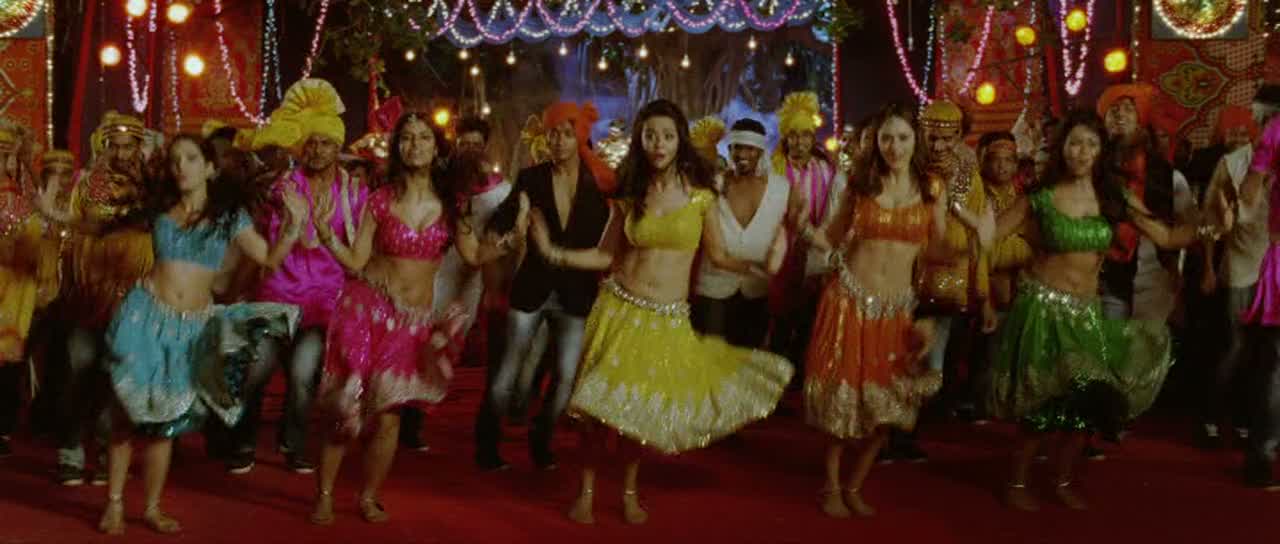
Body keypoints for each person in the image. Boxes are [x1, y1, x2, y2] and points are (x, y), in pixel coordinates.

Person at [534, 99, 792, 525]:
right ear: (640, 140)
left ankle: (629, 492)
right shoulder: (630, 194)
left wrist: (759, 265)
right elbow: (605, 256)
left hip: (666, 320)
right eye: (650, 135)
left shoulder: (702, 198)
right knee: (597, 415)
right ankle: (586, 491)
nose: (658, 144)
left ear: (679, 141)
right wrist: (552, 252)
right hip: (619, 312)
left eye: (667, 136)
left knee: (640, 416)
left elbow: (719, 255)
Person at [987, 109, 1229, 511]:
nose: (1081, 152)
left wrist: (1211, 226)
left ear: (1101, 150)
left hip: (1087, 312)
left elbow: (1166, 236)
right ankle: (1017, 482)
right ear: (1062, 148)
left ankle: (1063, 479)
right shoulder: (1040, 196)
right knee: (1041, 404)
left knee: (1085, 403)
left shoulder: (1113, 196)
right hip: (1043, 310)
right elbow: (990, 235)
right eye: (1074, 143)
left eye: (1090, 144)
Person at [77, 133, 304, 534]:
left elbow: (268, 259)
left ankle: (151, 507)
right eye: (175, 160)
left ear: (210, 168)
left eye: (191, 158)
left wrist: (294, 225)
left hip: (191, 329)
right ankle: (113, 503)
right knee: (127, 412)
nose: (181, 166)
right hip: (145, 318)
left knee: (164, 423)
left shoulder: (230, 218)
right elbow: (99, 226)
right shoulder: (159, 209)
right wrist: (56, 213)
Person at [309, 112, 523, 524]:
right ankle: (325, 494)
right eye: (407, 138)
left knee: (389, 416)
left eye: (424, 137)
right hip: (366, 309)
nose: (415, 144)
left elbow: (473, 256)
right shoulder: (380, 199)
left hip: (413, 323)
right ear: (398, 148)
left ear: (436, 147)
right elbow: (356, 261)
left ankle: (369, 497)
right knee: (346, 407)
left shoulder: (452, 206)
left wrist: (510, 239)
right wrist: (326, 234)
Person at [800, 103, 949, 517]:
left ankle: (855, 486)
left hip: (897, 312)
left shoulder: (931, 189)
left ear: (916, 140)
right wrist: (799, 226)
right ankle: (831, 487)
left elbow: (937, 254)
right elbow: (830, 238)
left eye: (902, 138)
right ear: (875, 142)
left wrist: (972, 237)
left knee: (887, 412)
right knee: (842, 408)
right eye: (886, 138)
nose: (894, 147)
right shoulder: (861, 183)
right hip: (848, 303)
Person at [226, 80, 370, 474]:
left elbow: (359, 249)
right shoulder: (282, 188)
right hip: (277, 295)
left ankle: (293, 444)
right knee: (255, 371)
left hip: (324, 302)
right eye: (311, 143)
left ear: (337, 147)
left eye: (326, 143)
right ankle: (242, 443)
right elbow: (257, 223)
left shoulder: (353, 194)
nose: (317, 150)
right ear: (301, 146)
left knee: (304, 374)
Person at [473, 102, 615, 471]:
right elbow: (500, 222)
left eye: (567, 134)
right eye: (553, 134)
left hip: (577, 293)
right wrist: (513, 226)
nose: (558, 141)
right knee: (507, 374)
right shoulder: (530, 179)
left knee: (565, 380)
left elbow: (611, 240)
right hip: (532, 288)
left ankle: (541, 439)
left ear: (580, 136)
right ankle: (487, 445)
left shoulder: (600, 184)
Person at [39, 112, 154, 486]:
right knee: (78, 370)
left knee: (115, 378)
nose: (120, 154)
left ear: (139, 147)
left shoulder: (152, 187)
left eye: (128, 147)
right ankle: (71, 448)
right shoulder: (87, 184)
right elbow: (70, 230)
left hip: (133, 300)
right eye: (114, 146)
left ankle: (107, 449)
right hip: (88, 295)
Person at [691, 118, 793, 347]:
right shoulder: (713, 186)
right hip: (713, 288)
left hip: (758, 292)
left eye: (750, 148)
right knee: (710, 356)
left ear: (761, 151)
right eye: (737, 147)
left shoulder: (781, 188)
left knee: (749, 358)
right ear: (729, 150)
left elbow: (788, 234)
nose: (742, 154)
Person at [769, 92, 846, 385]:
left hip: (815, 253)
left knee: (807, 322)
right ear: (785, 138)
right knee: (779, 321)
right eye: (793, 135)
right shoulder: (774, 170)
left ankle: (798, 378)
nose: (799, 142)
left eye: (805, 135)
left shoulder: (826, 171)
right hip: (780, 255)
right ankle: (774, 378)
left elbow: (833, 213)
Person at [0, 126, 60, 457]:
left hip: (15, 293)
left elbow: (37, 242)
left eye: (5, 156)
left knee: (9, 360)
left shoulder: (20, 201)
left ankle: (4, 427)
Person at [1237, 83, 1280, 488]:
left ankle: (1262, 455)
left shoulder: (1274, 132)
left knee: (1275, 363)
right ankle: (1262, 453)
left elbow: (1249, 195)